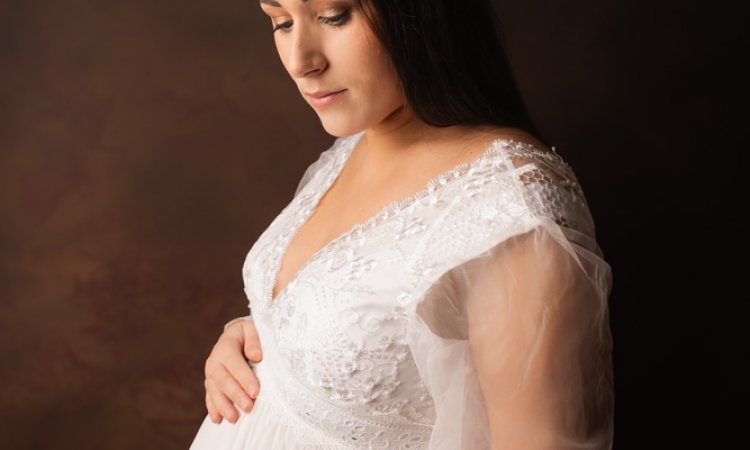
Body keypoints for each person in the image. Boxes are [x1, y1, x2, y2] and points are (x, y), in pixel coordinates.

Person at [190, 0, 614, 448]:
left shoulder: (510, 210)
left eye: (333, 16)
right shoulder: (354, 146)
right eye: (281, 22)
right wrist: (256, 346)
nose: (301, 61)